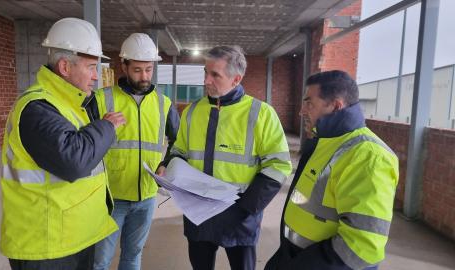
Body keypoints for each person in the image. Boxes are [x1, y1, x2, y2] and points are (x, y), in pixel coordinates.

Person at [0, 17, 126, 270]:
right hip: (46, 245)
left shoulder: (70, 102)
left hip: (72, 236)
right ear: (65, 67)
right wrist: (106, 126)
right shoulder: (38, 108)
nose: (95, 77)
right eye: (91, 67)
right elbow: (74, 161)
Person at [157, 45, 293, 270]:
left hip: (239, 215)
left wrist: (247, 208)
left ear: (236, 79)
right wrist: (166, 165)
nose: (206, 81)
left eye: (215, 75)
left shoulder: (261, 114)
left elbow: (278, 166)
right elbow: (179, 151)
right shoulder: (192, 111)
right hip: (197, 214)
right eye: (205, 72)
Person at [265, 70, 399, 270]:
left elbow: (361, 246)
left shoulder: (368, 156)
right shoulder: (324, 142)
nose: (302, 111)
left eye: (309, 103)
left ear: (336, 106)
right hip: (294, 255)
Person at [93, 33, 180, 270]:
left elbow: (178, 142)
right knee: (99, 259)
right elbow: (85, 143)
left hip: (147, 196)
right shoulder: (102, 99)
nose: (144, 76)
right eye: (138, 70)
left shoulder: (164, 104)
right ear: (124, 66)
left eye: (149, 70)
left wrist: (166, 162)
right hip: (111, 197)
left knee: (133, 255)